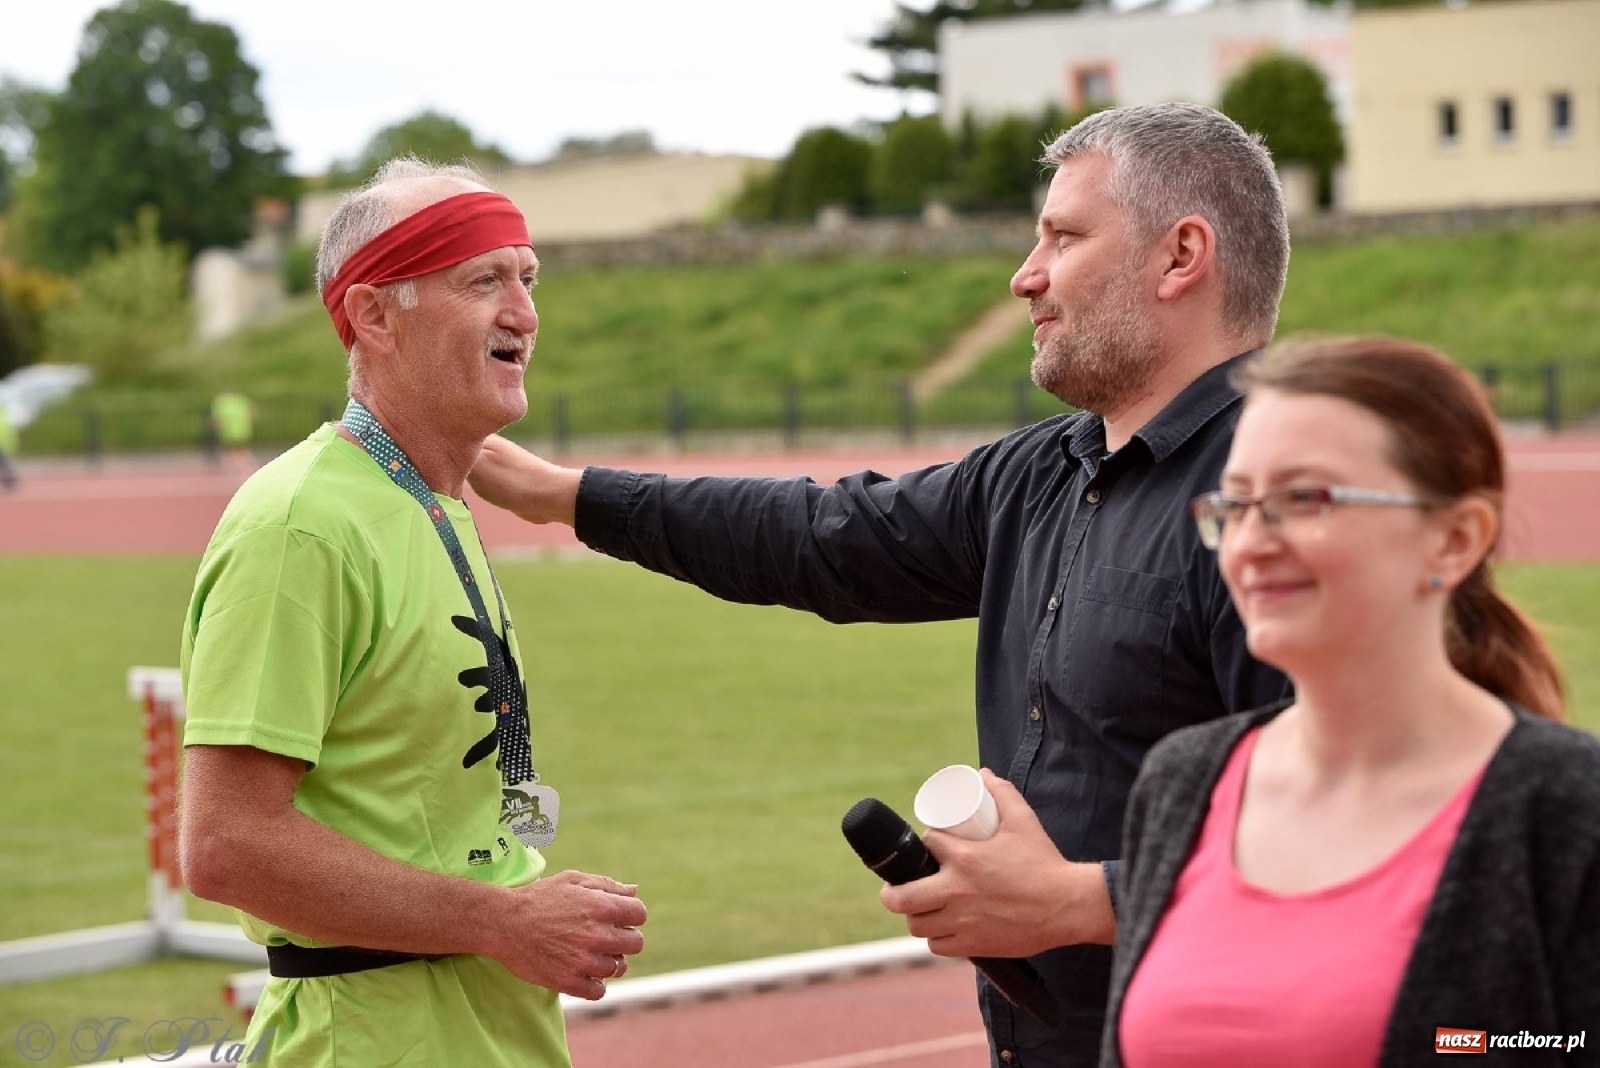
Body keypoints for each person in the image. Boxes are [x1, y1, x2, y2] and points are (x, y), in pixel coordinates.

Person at [467, 101, 1293, 1067]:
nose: (1026, 275)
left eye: (1064, 238)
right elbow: (824, 538)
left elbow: (1351, 838)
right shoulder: (1043, 473)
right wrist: (566, 496)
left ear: (1180, 255)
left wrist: (1079, 902)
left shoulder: (1280, 499)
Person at [179, 158, 648, 1068]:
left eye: (528, 278)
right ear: (373, 316)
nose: (525, 313)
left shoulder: (432, 503)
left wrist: (515, 900)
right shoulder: (300, 525)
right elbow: (228, 844)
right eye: (484, 280)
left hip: (483, 1030)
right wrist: (503, 919)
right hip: (371, 1039)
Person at [1100, 338, 1600, 1067]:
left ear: (1455, 540)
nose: (1249, 544)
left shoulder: (1565, 806)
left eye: (1305, 499)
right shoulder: (1184, 780)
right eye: (1235, 504)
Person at [209, 389, 257, 475]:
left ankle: (237, 466)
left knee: (230, 448)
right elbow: (252, 412)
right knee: (240, 447)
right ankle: (247, 464)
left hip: (229, 429)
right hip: (242, 428)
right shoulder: (241, 400)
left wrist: (216, 426)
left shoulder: (220, 402)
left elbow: (218, 418)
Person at [0, 398, 18, 491]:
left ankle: (10, 481)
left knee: (5, 465)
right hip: (5, 446)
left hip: (3, 446)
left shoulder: (4, 419)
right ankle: (10, 481)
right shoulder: (6, 418)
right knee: (6, 465)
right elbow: (11, 433)